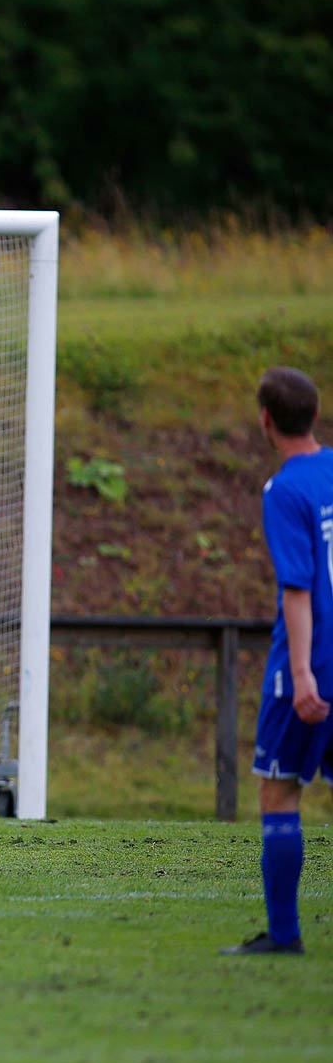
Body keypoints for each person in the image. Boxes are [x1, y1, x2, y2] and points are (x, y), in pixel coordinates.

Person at [229, 366, 330, 955]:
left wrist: (299, 675)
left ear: (265, 419)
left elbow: (298, 587)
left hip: (311, 657)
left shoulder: (285, 490)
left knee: (279, 788)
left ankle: (285, 935)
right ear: (315, 415)